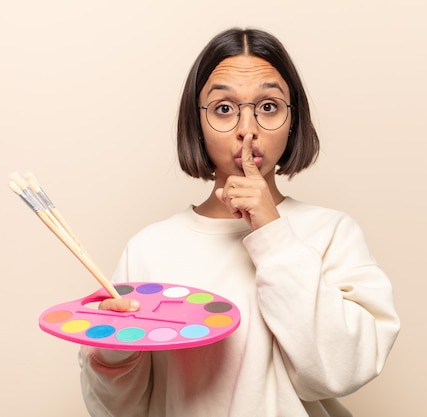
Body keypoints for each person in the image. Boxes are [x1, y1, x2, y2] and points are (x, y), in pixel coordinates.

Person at [79, 27, 400, 417]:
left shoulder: (332, 233)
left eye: (268, 107)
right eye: (224, 109)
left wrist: (272, 232)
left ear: (293, 120)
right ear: (196, 123)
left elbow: (342, 370)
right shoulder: (149, 249)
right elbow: (119, 409)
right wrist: (113, 355)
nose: (247, 130)